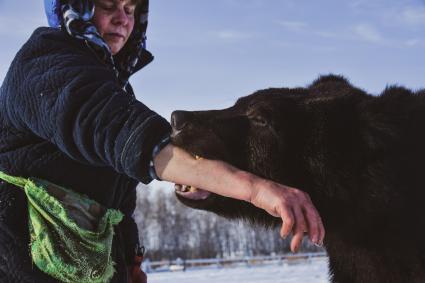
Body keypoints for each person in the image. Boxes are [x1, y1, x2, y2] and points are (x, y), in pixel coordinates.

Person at [0, 0, 325, 282]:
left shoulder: (116, 89)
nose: (123, 19)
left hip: (88, 268)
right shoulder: (45, 64)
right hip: (21, 263)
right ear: (76, 8)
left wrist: (130, 261)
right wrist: (254, 189)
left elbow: (119, 203)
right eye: (108, 6)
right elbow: (131, 139)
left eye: (131, 9)